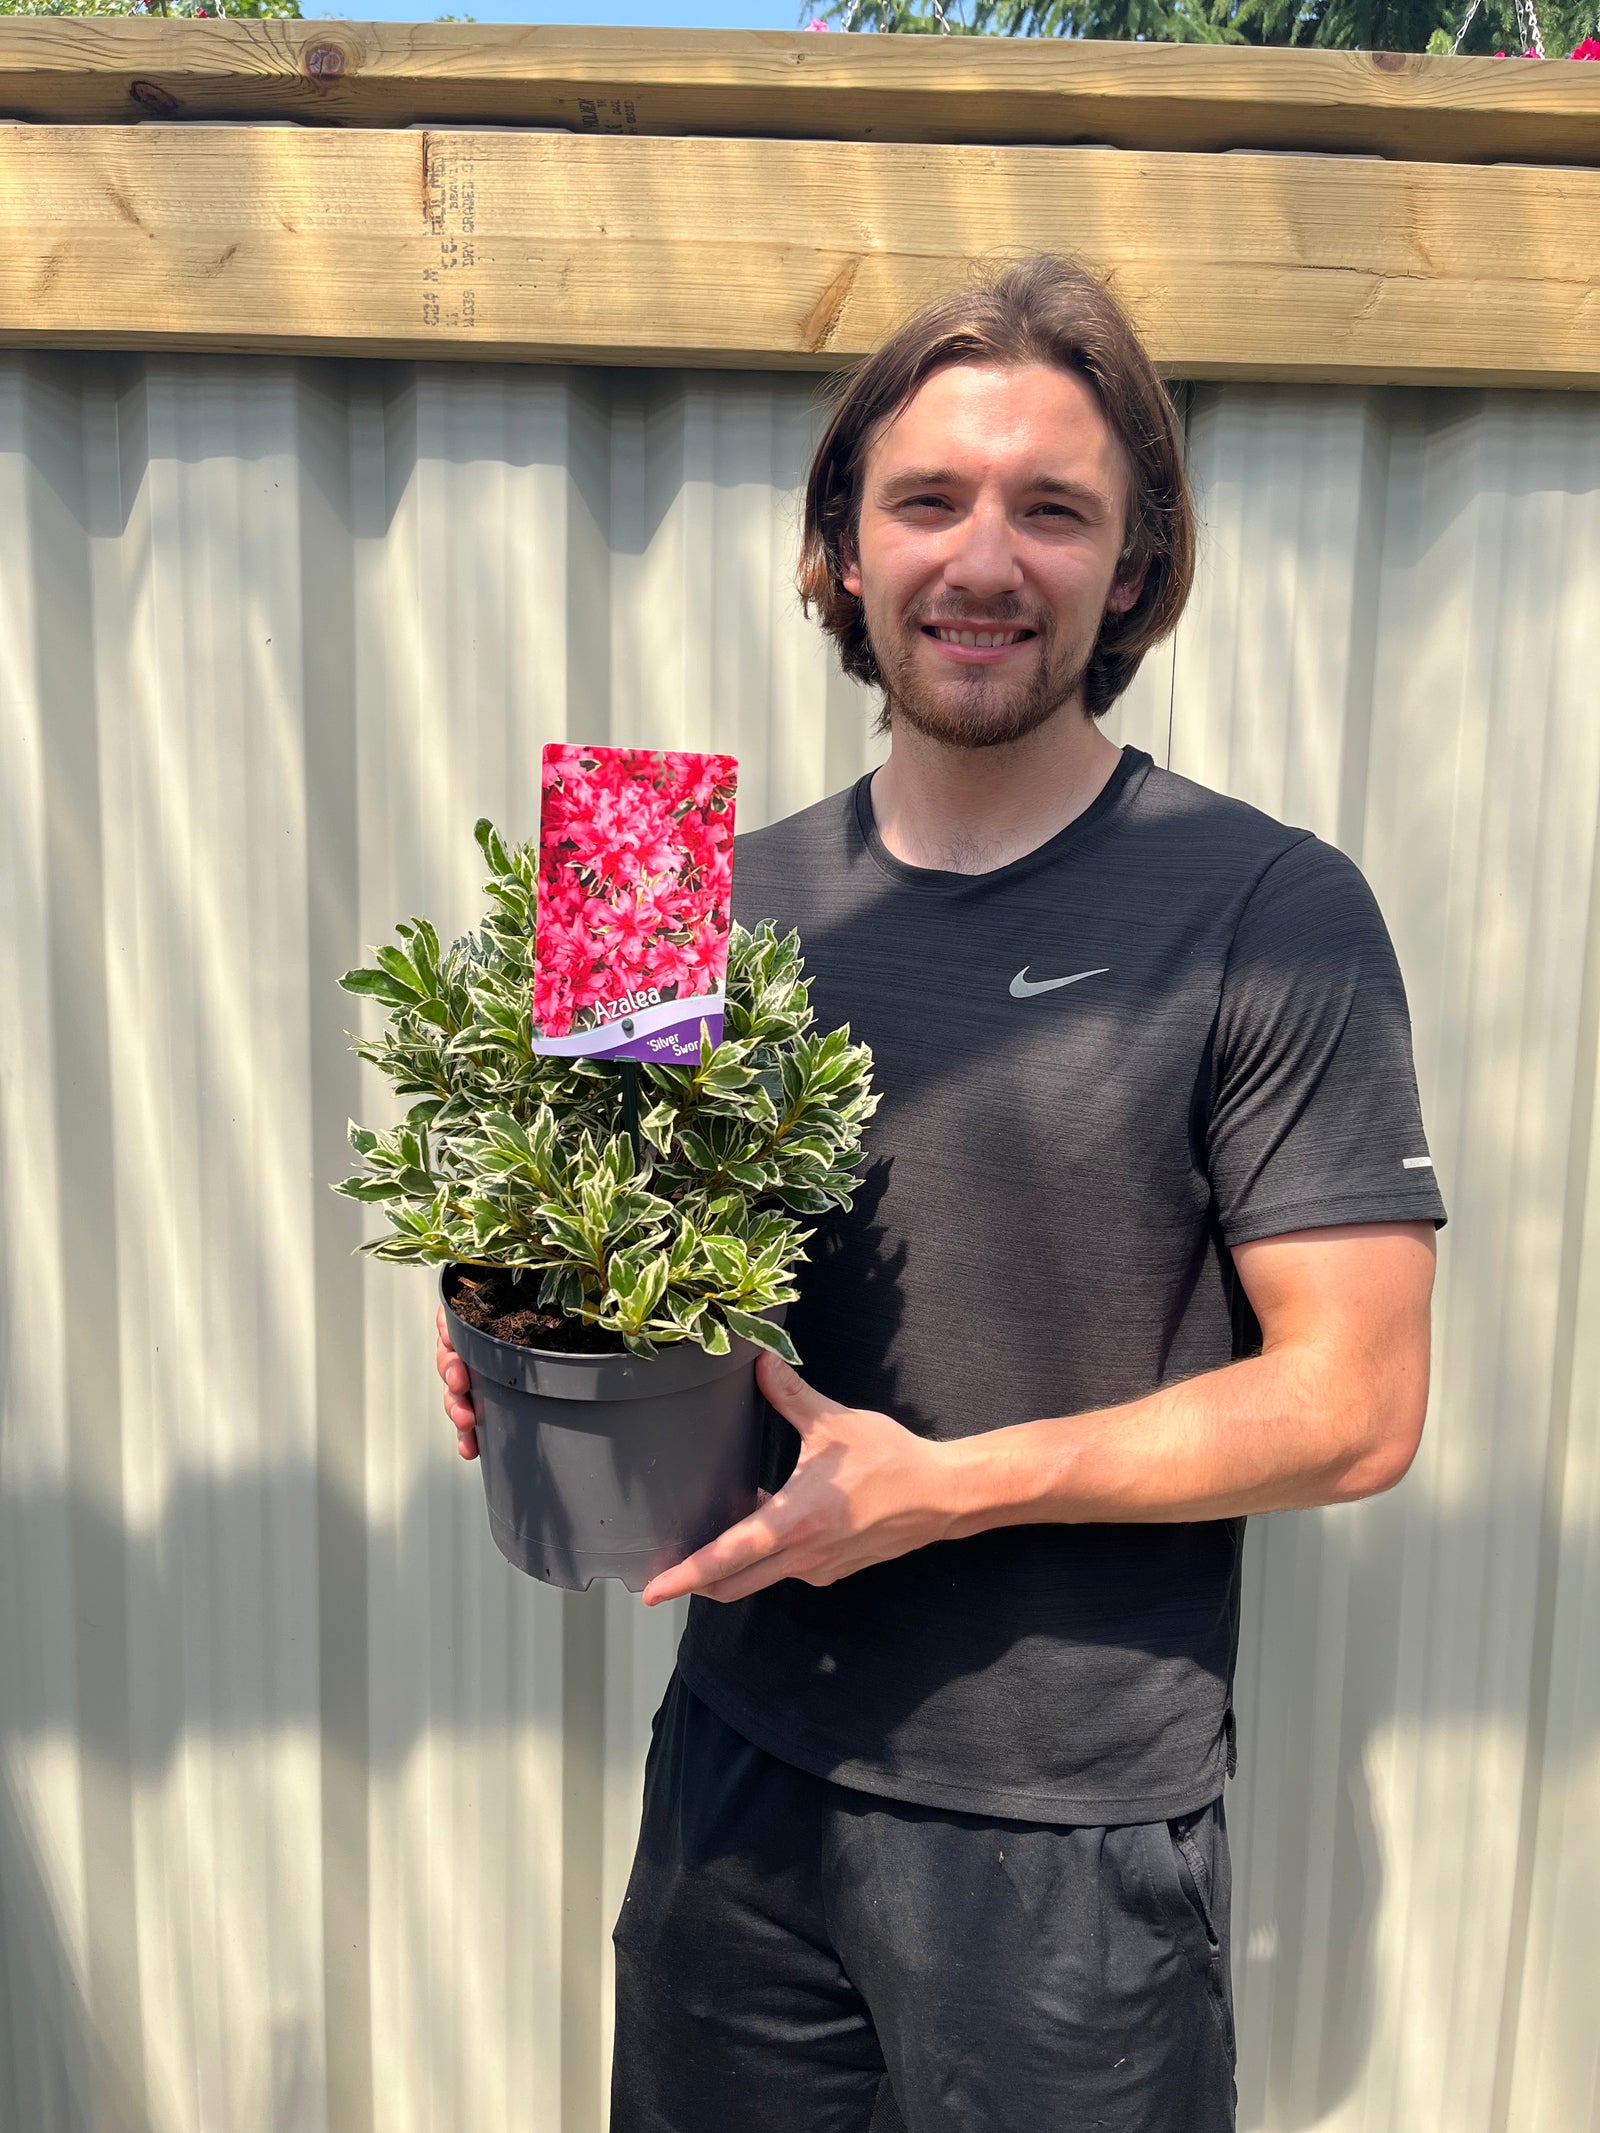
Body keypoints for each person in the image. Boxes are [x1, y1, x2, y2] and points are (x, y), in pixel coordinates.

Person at [435, 256, 1445, 2133]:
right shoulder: (665, 885)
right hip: (736, 1768)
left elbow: (1360, 1403)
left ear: (1133, 570)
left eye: (1054, 510)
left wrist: (945, 1486)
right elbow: (567, 1223)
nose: (985, 557)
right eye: (927, 499)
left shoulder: (1269, 906)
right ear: (840, 547)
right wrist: (514, 1321)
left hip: (1066, 1839)